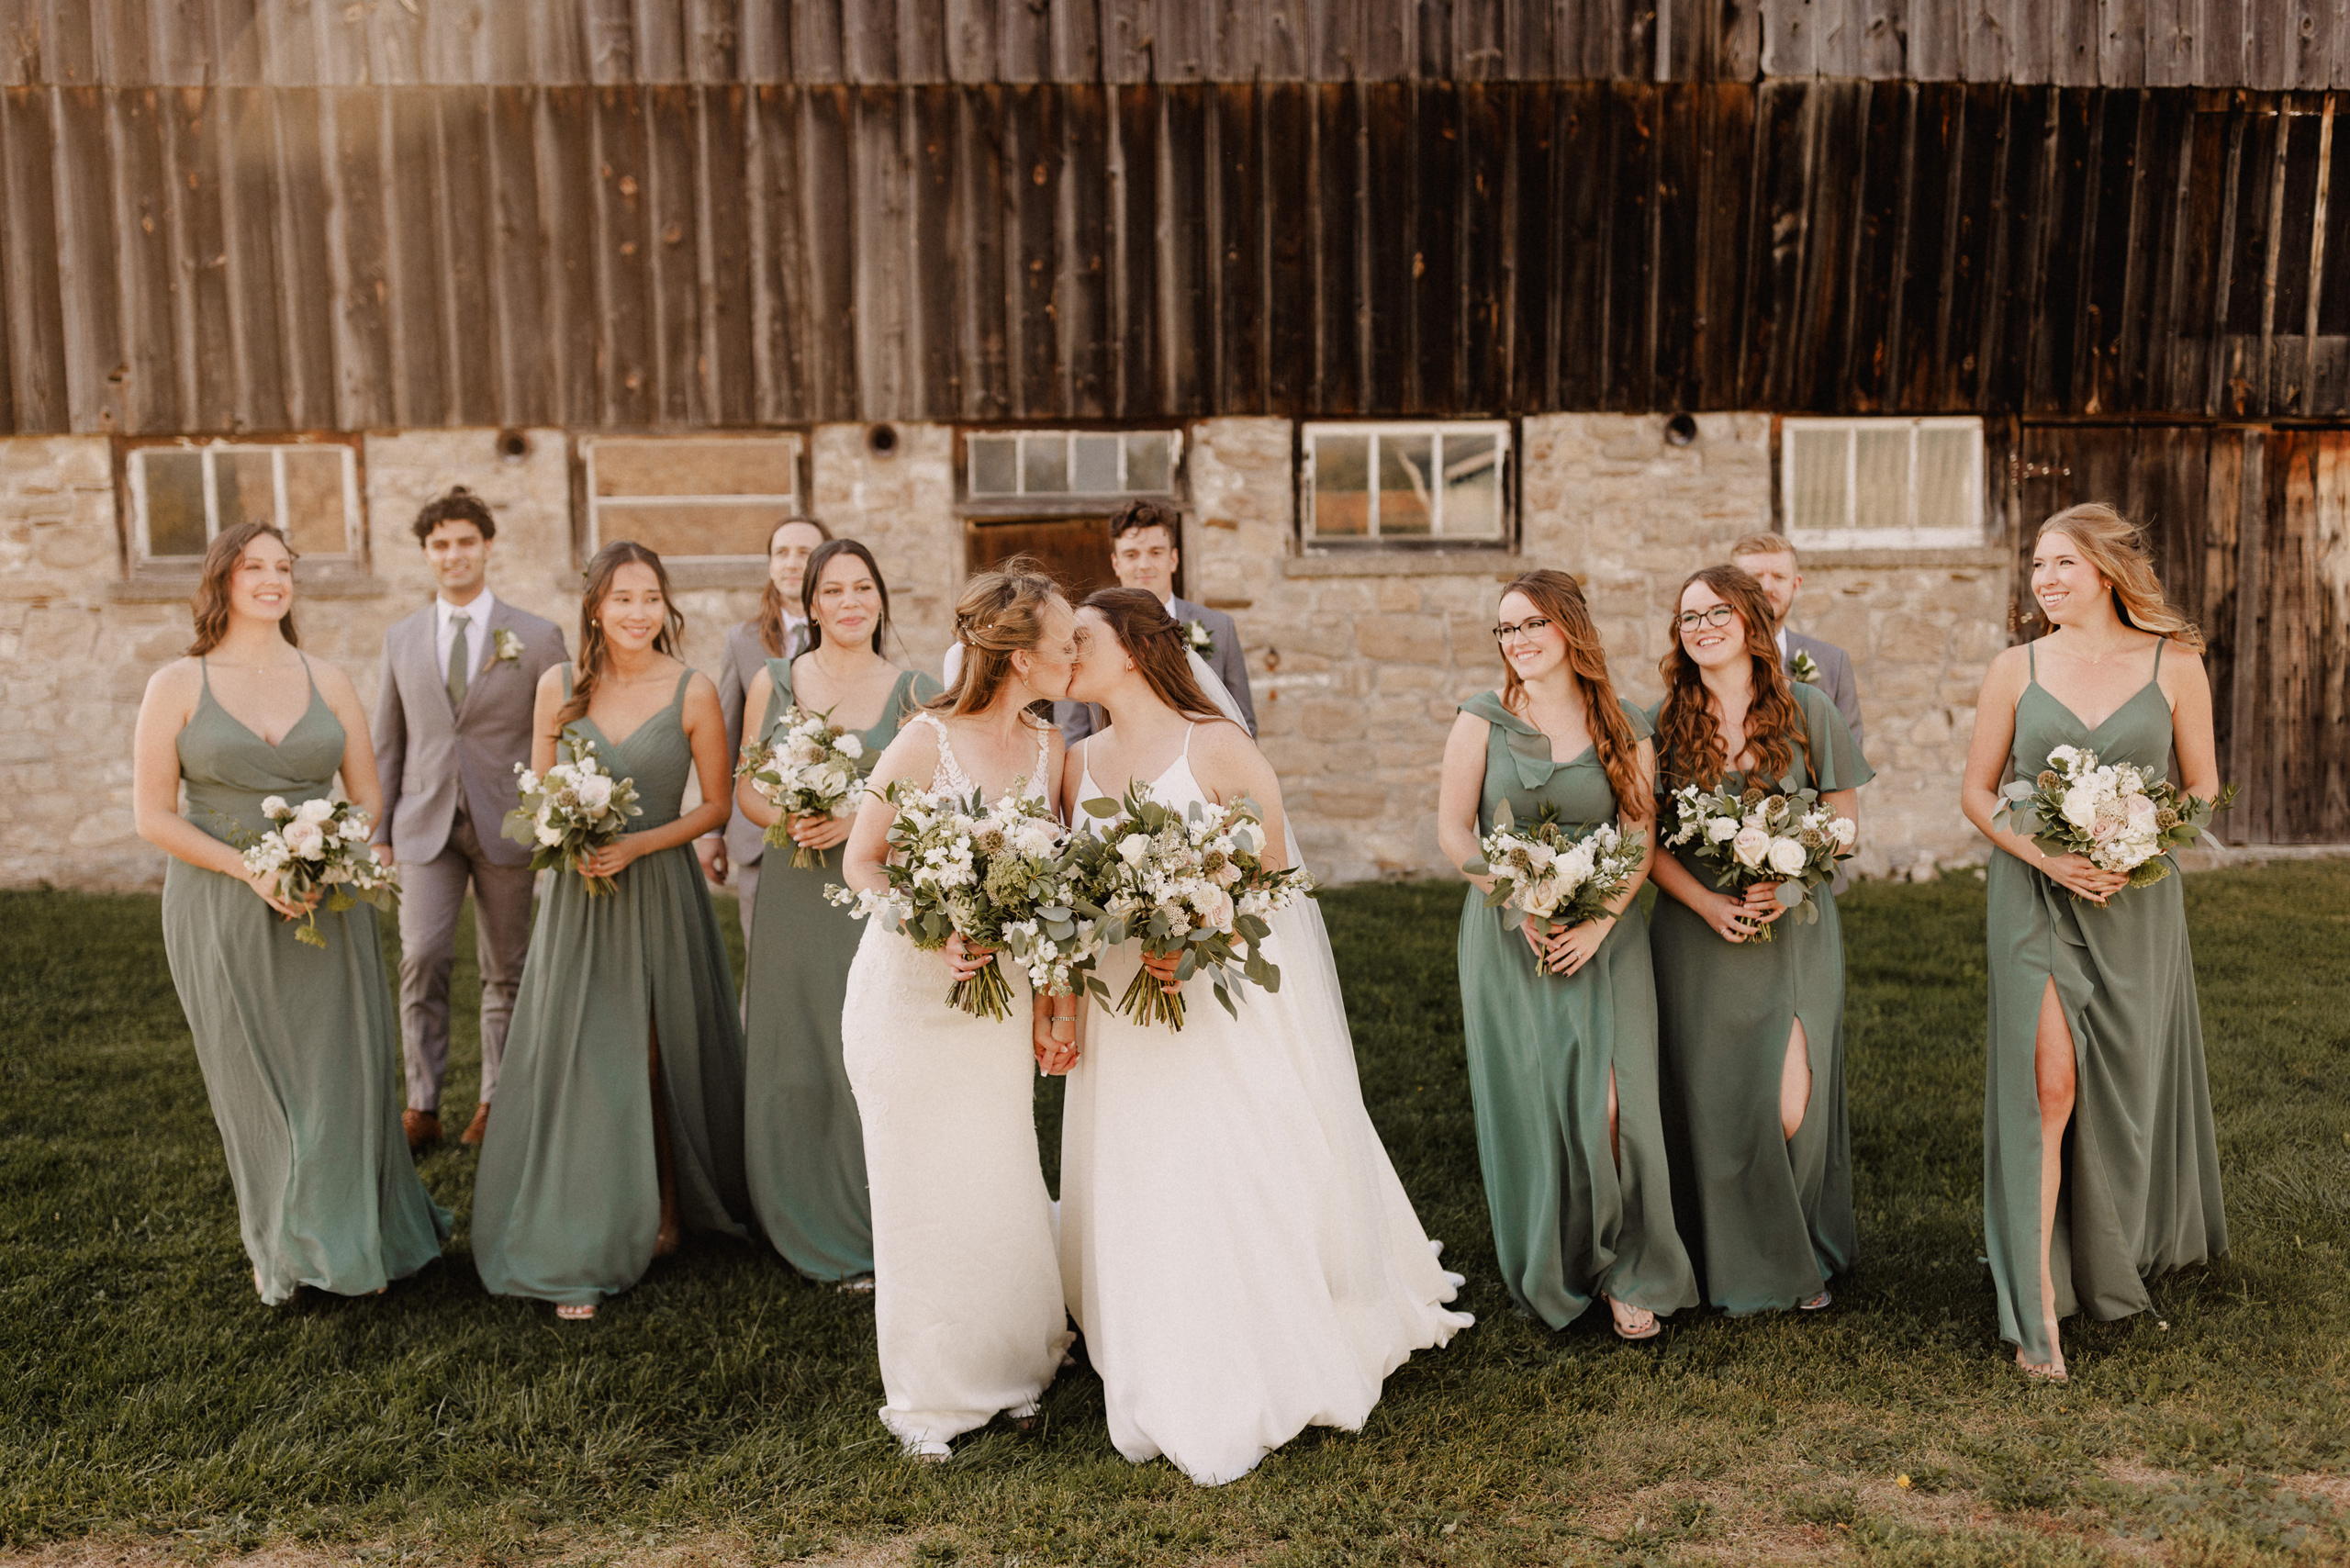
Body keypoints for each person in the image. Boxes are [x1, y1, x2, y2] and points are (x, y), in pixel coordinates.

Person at [1054, 588, 1471, 1486]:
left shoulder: (1219, 746)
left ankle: (1252, 1329)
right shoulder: (1072, 758)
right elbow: (1067, 884)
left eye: (1078, 640)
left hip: (1214, 998)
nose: (1063, 655)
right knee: (1139, 1160)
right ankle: (1148, 1322)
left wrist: (1198, 937)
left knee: (1224, 1157)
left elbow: (1275, 878)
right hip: (1121, 1008)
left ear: (1131, 648)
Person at [132, 522, 449, 1304]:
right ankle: (281, 1245)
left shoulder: (328, 678)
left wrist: (332, 850)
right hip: (220, 904)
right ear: (223, 580)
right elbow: (152, 816)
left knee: (340, 1072)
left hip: (326, 900)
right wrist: (251, 868)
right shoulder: (177, 683)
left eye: (283, 567)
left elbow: (369, 795)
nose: (272, 579)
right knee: (254, 1080)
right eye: (253, 566)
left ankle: (354, 1237)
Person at [1959, 503, 2228, 1383]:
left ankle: (2108, 1255)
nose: (2044, 580)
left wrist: (2132, 843)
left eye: (2061, 563)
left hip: (2134, 901)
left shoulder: (2175, 663)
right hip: (2034, 896)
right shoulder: (2015, 667)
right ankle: (2035, 1306)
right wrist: (2050, 857)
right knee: (2049, 1084)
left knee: (2119, 1082)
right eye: (2036, 566)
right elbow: (1976, 793)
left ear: (2106, 570)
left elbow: (2203, 786)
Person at [472, 541, 753, 1320]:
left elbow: (715, 807)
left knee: (659, 1049)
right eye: (623, 598)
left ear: (666, 607)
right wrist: (563, 833)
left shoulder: (692, 690)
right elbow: (535, 791)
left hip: (659, 887)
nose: (637, 613)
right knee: (589, 1052)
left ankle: (668, 1210)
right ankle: (584, 1230)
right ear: (595, 605)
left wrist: (637, 842)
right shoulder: (558, 684)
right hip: (580, 899)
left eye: (651, 599)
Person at [837, 560, 1078, 1462]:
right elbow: (864, 860)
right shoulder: (921, 741)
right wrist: (926, 923)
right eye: (1062, 645)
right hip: (909, 997)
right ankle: (935, 1391)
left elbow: (1052, 889)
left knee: (999, 1174)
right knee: (920, 1194)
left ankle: (1014, 1364)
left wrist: (1054, 999)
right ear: (1019, 658)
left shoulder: (1050, 748)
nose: (1073, 659)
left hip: (999, 999)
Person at [1435, 571, 1695, 1339]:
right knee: (1539, 1099)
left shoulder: (1625, 724)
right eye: (1506, 630)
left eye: (1531, 625)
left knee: (1615, 1104)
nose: (1517, 642)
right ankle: (1560, 1262)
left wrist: (1597, 923)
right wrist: (1519, 902)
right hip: (1509, 933)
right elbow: (1455, 831)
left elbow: (1640, 837)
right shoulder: (1479, 720)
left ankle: (1628, 1268)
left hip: (1607, 938)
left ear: (1569, 629)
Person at [1646, 566, 1874, 1316]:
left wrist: (1797, 875)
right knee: (1710, 1100)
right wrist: (1706, 905)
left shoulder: (1810, 709)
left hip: (1793, 931)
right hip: (1696, 932)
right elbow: (1643, 845)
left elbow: (1843, 824)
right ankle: (1726, 1259)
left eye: (1716, 612)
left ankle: (1793, 1245)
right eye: (1688, 617)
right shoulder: (1663, 722)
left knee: (1789, 1104)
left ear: (1750, 621)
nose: (1702, 625)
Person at [735, 539, 939, 1285]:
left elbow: (927, 796)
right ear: (810, 604)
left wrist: (857, 813)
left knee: (868, 1045)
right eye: (834, 591)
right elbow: (748, 788)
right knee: (795, 1045)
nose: (850, 603)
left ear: (880, 599)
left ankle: (875, 1210)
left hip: (868, 892)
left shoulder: (915, 687)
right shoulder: (775, 680)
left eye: (863, 589)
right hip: (794, 885)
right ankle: (793, 1208)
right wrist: (788, 816)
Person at [374, 487, 567, 1151]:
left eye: (464, 542)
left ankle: (495, 1100)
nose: (452, 555)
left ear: (486, 546)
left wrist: (555, 817)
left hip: (508, 824)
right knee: (422, 955)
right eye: (440, 545)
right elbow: (388, 740)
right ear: (427, 554)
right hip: (425, 822)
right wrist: (377, 831)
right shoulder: (400, 638)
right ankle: (422, 1103)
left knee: (505, 968)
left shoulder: (538, 637)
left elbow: (561, 735)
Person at [704, 516, 833, 942]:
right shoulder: (741, 640)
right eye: (782, 553)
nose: (793, 563)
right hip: (759, 833)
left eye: (805, 553)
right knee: (765, 959)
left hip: (831, 827)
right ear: (770, 565)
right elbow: (724, 737)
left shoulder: (854, 632)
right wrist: (712, 831)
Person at [1056, 498, 1254, 743]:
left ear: (1173, 559)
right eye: (1131, 554)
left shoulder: (1219, 627)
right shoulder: (1087, 630)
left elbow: (1243, 723)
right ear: (1116, 563)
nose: (1144, 565)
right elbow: (1072, 733)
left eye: (1155, 552)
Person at [1729, 532, 1863, 748]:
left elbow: (1848, 757)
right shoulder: (1705, 661)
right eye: (1755, 578)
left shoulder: (1832, 664)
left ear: (1796, 584)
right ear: (1731, 587)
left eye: (1779, 577)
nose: (1767, 588)